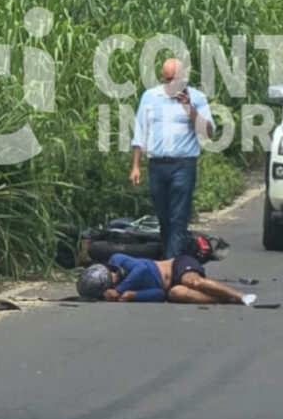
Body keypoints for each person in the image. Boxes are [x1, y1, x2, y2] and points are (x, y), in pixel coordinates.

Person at [130, 58, 215, 258]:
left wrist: (189, 109)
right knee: (164, 217)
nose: (170, 84)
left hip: (183, 164)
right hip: (157, 164)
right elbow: (140, 132)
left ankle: (172, 263)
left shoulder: (197, 98)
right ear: (162, 77)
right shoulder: (150, 97)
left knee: (179, 216)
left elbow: (208, 132)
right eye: (167, 79)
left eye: (174, 80)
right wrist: (135, 166)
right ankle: (172, 258)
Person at [77, 253, 256, 305]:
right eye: (112, 281)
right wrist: (134, 296)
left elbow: (140, 268)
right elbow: (159, 294)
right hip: (170, 286)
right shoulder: (126, 291)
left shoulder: (118, 260)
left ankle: (241, 296)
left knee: (194, 282)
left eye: (112, 274)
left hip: (177, 265)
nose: (115, 278)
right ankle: (222, 298)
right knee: (177, 293)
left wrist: (120, 289)